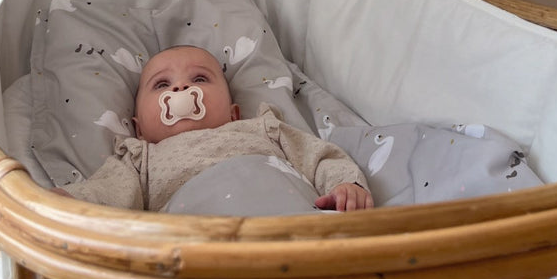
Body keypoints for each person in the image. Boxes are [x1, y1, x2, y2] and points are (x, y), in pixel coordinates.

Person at [56, 45, 374, 212]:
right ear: (139, 130)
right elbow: (106, 193)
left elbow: (319, 157)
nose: (180, 88)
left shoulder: (264, 129)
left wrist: (345, 185)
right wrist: (66, 202)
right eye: (162, 84)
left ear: (234, 114)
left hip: (289, 221)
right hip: (203, 247)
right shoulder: (141, 159)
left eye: (199, 79)